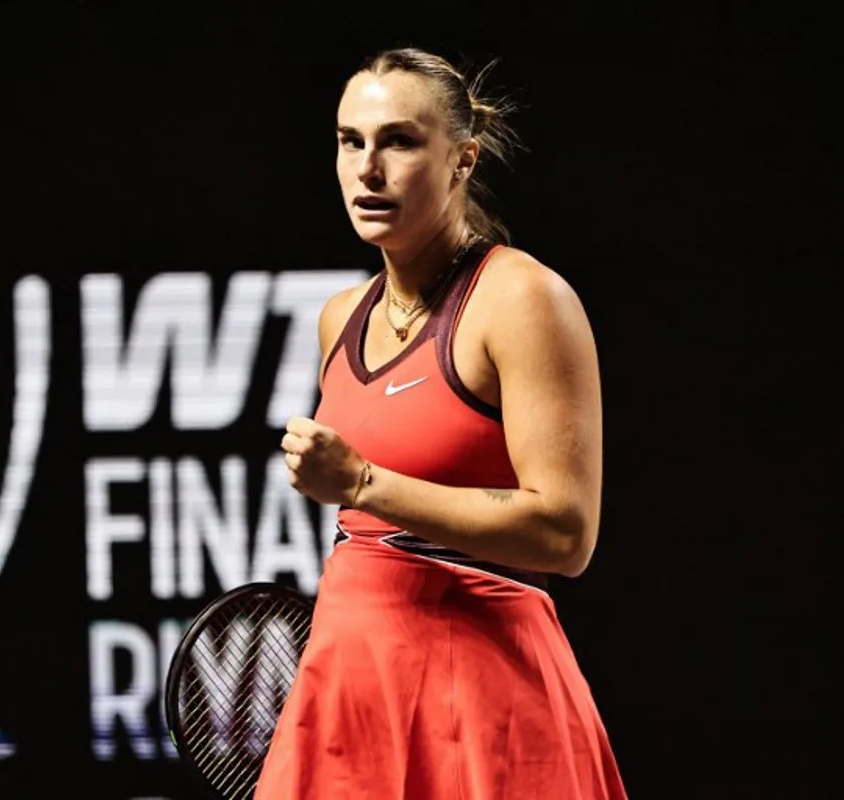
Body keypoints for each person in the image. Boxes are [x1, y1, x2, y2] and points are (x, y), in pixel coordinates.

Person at [256, 47, 628, 798]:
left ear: (463, 159)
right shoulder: (341, 319)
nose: (368, 169)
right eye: (349, 141)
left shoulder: (522, 301)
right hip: (350, 691)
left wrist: (362, 482)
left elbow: (564, 532)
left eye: (399, 141)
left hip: (483, 699)